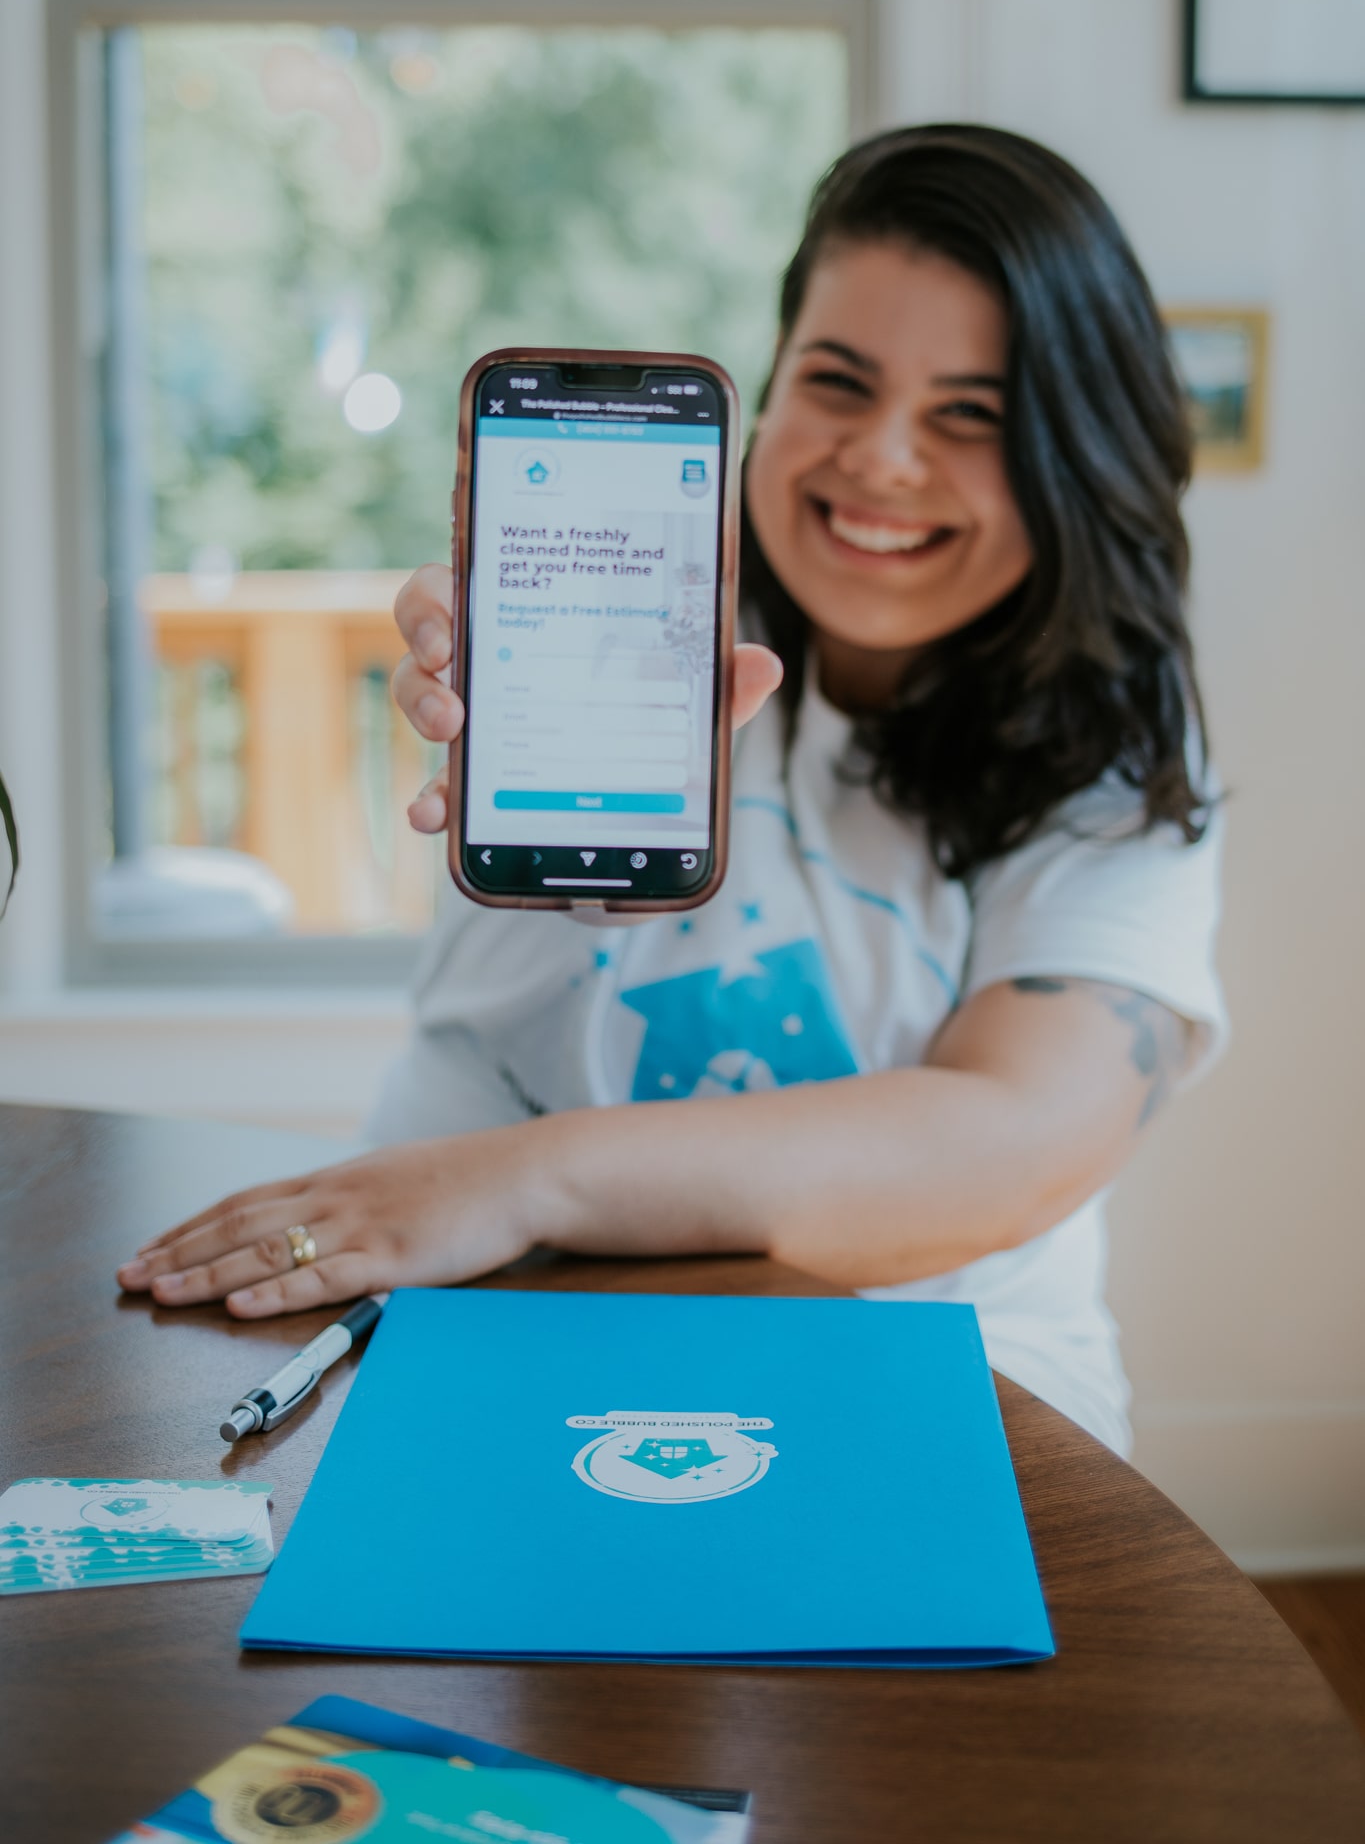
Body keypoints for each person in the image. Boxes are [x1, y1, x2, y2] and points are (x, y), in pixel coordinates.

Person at [117, 124, 1225, 1457]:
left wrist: (524, 1183)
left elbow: (1020, 1134)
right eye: (837, 381)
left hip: (926, 1367)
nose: (881, 458)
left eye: (970, 414)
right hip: (481, 1307)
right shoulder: (631, 586)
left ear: (1076, 449)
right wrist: (487, 659)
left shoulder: (1111, 748)